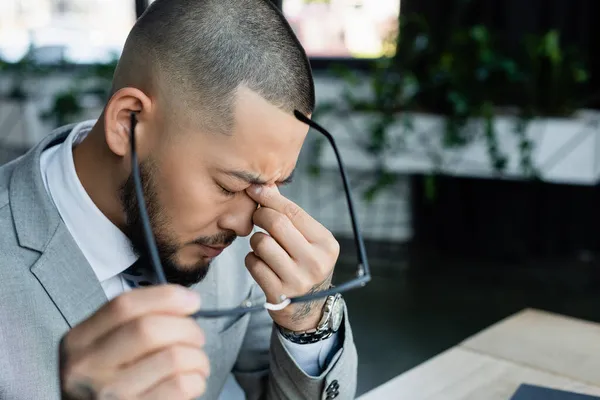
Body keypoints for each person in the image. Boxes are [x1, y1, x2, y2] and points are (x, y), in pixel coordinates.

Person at [0, 0, 358, 399]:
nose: (244, 225)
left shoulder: (227, 250)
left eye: (270, 188)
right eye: (228, 186)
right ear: (127, 122)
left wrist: (308, 325)